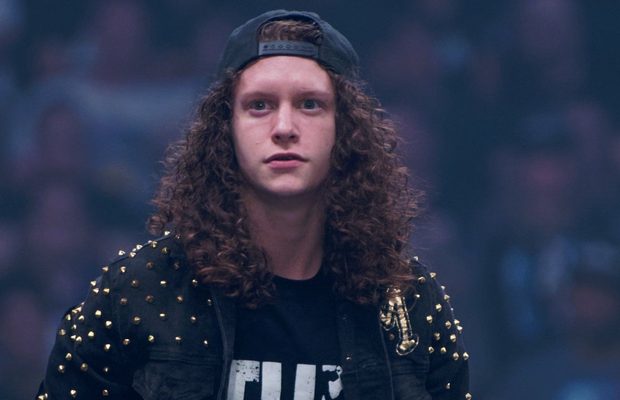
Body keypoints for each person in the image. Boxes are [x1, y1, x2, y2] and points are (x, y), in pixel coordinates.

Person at [36, 10, 470, 400]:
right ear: (225, 129)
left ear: (346, 129)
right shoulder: (139, 290)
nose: (284, 127)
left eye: (310, 104)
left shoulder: (409, 300)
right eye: (259, 105)